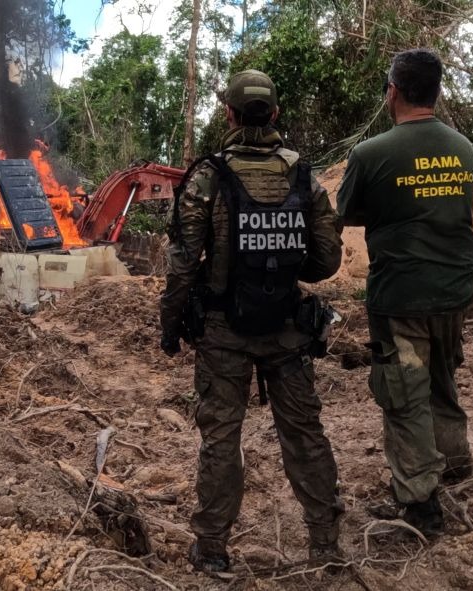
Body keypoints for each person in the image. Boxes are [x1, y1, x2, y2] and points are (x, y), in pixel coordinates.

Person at [160, 70, 345, 573]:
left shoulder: (209, 177)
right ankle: (326, 546)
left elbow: (182, 262)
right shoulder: (304, 177)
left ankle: (213, 550)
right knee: (305, 434)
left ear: (230, 115)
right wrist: (284, 267)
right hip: (287, 330)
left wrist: (170, 325)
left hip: (223, 335)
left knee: (221, 439)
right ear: (276, 115)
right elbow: (327, 261)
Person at [336, 48, 473, 537]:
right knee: (443, 375)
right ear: (436, 92)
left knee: (404, 395)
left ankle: (420, 504)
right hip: (455, 289)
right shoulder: (463, 148)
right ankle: (456, 464)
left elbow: (348, 212)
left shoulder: (372, 153)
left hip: (402, 297)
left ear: (393, 91)